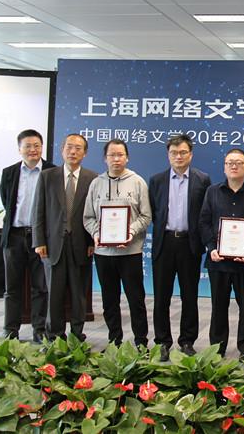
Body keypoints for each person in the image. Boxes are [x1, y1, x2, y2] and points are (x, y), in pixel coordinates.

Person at [83, 139, 151, 348]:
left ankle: (141, 343)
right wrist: (97, 233)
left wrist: (130, 231)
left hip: (130, 252)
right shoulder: (96, 183)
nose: (116, 159)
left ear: (127, 157)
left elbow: (146, 216)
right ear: (105, 158)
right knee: (109, 301)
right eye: (112, 155)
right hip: (104, 254)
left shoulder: (137, 182)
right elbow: (88, 217)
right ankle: (114, 342)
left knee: (136, 300)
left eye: (120, 154)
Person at [148, 134, 211, 361]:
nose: (178, 156)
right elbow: (154, 211)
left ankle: (187, 341)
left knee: (189, 295)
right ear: (168, 155)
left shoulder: (202, 180)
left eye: (183, 152)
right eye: (174, 153)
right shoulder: (156, 180)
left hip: (189, 244)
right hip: (164, 243)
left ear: (190, 155)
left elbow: (205, 213)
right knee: (161, 297)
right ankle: (162, 342)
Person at [32, 133, 97, 341]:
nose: (73, 151)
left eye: (78, 148)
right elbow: (38, 211)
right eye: (69, 147)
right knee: (54, 293)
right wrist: (39, 241)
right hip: (52, 245)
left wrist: (92, 241)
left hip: (81, 245)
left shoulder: (92, 178)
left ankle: (77, 335)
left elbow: (95, 213)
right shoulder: (47, 176)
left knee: (79, 294)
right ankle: (54, 335)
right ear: (62, 150)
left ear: (85, 153)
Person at [199, 148, 244, 358]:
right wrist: (211, 248)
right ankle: (217, 349)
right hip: (218, 261)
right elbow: (204, 222)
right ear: (224, 167)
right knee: (218, 306)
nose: (234, 166)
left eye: (239, 163)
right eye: (230, 163)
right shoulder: (212, 192)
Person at [0, 129, 54, 342]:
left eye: (36, 145)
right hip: (14, 236)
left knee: (40, 287)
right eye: (28, 146)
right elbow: (7, 201)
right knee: (12, 288)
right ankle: (10, 330)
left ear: (42, 147)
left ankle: (39, 330)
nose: (33, 150)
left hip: (41, 238)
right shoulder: (9, 172)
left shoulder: (52, 171)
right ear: (19, 149)